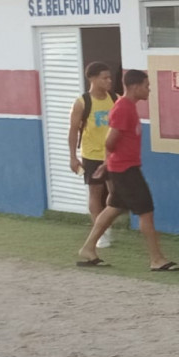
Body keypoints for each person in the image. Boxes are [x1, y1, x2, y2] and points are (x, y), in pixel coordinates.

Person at [76, 69, 179, 272]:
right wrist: (108, 164)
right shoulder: (123, 108)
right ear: (135, 87)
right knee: (146, 212)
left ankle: (88, 249)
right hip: (126, 170)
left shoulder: (128, 107)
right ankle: (157, 259)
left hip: (124, 168)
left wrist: (108, 164)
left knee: (113, 208)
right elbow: (110, 141)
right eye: (146, 86)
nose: (149, 90)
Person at [67, 61, 118, 248]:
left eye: (110, 77)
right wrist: (73, 157)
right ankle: (100, 232)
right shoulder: (82, 103)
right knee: (95, 193)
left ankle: (106, 223)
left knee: (115, 193)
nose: (109, 81)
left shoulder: (115, 99)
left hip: (112, 155)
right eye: (104, 78)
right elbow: (73, 130)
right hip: (92, 155)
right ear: (92, 79)